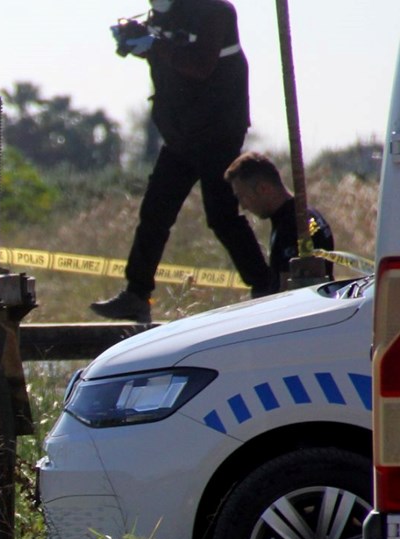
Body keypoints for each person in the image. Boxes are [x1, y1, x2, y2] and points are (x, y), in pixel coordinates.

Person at [92, 0, 272, 324]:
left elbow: (201, 65)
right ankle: (136, 295)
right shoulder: (163, 15)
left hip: (218, 131)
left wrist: (154, 45)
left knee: (221, 216)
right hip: (182, 135)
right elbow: (167, 55)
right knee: (154, 213)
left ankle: (266, 288)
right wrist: (138, 40)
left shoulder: (217, 12)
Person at [223, 151, 335, 292]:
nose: (243, 206)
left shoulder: (292, 226)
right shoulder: (306, 214)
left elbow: (286, 292)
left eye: (242, 197)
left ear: (263, 189)